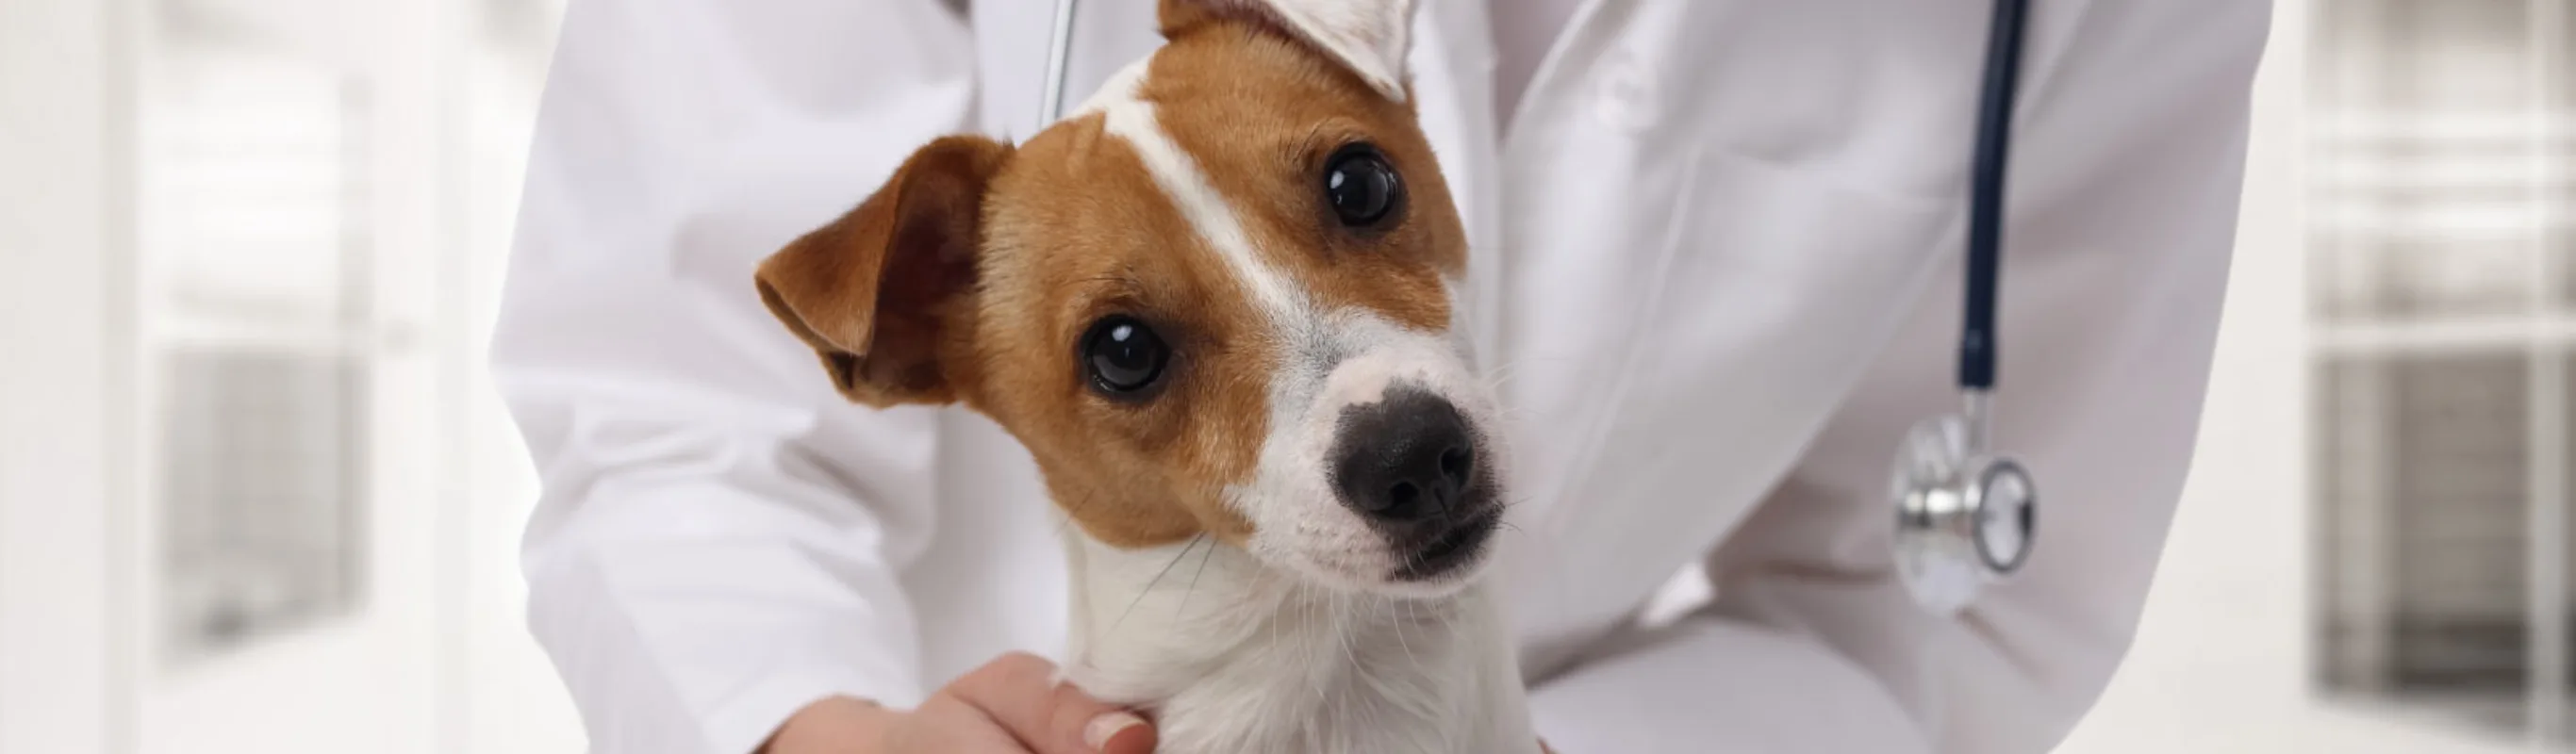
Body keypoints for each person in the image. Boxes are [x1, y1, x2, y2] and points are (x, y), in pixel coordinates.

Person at [492, 1, 2272, 752]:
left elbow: (1948, 612)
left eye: (1356, 192)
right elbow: (672, 411)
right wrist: (811, 731)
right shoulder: (926, 290)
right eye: (1132, 352)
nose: (1377, 419)